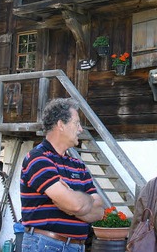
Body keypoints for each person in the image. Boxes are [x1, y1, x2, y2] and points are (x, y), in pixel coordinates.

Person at [20, 98, 104, 251]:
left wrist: (71, 199)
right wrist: (81, 203)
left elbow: (99, 211)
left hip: (77, 247)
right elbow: (76, 205)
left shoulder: (78, 165)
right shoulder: (38, 158)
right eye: (76, 123)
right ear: (61, 125)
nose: (80, 129)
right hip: (45, 245)